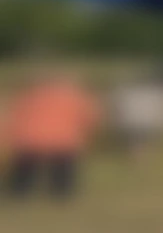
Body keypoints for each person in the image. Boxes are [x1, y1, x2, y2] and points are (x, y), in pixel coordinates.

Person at [3, 70, 101, 198]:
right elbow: (89, 118)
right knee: (62, 174)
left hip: (30, 138)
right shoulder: (74, 97)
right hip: (64, 139)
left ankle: (19, 194)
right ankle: (61, 195)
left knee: (24, 173)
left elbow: (15, 117)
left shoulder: (29, 96)